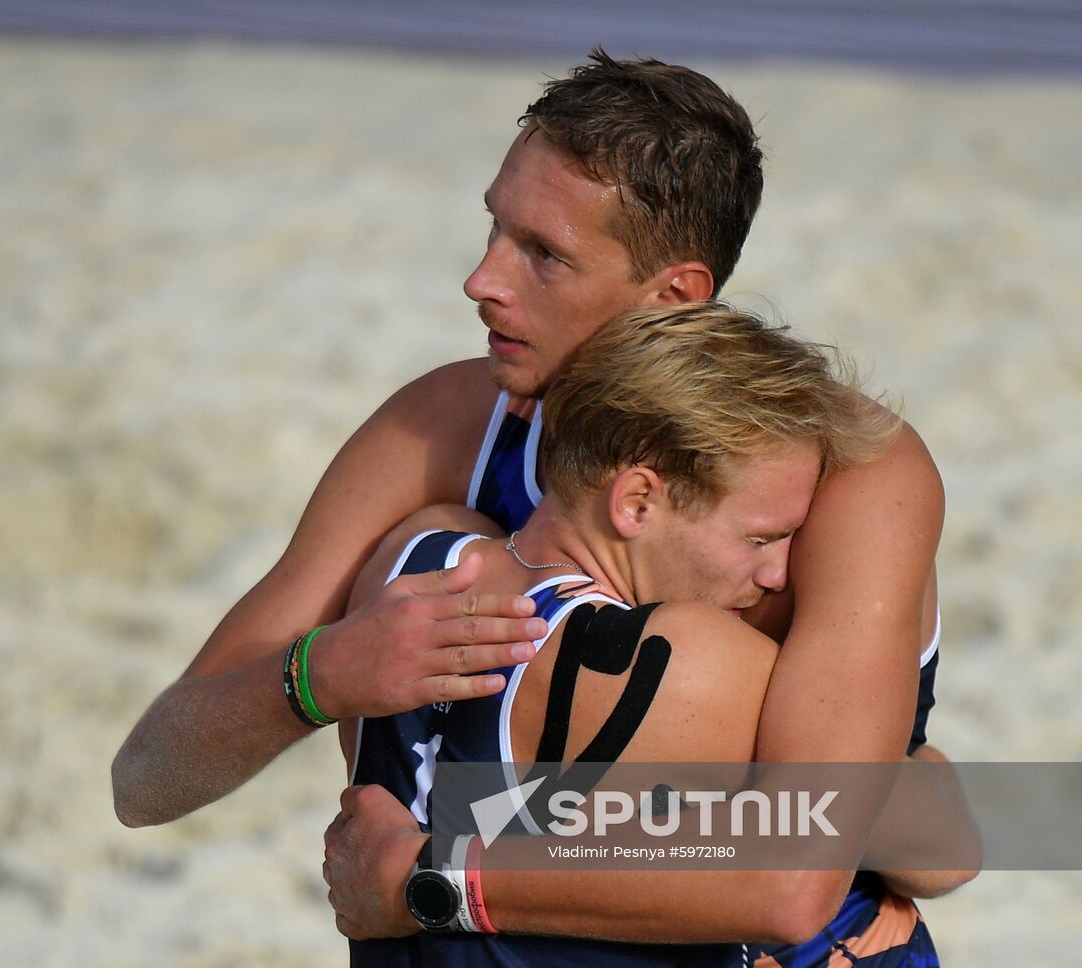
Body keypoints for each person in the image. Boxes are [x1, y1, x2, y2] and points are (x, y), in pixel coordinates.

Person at [112, 50, 962, 955]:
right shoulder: (448, 423)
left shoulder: (848, 477)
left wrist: (434, 881)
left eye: (543, 254)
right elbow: (146, 779)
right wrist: (317, 677)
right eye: (495, 228)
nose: (482, 281)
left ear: (673, 297)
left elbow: (828, 869)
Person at [330, 303, 945, 967]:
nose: (778, 572)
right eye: (760, 537)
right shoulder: (689, 664)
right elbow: (942, 854)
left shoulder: (411, 557)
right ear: (637, 503)